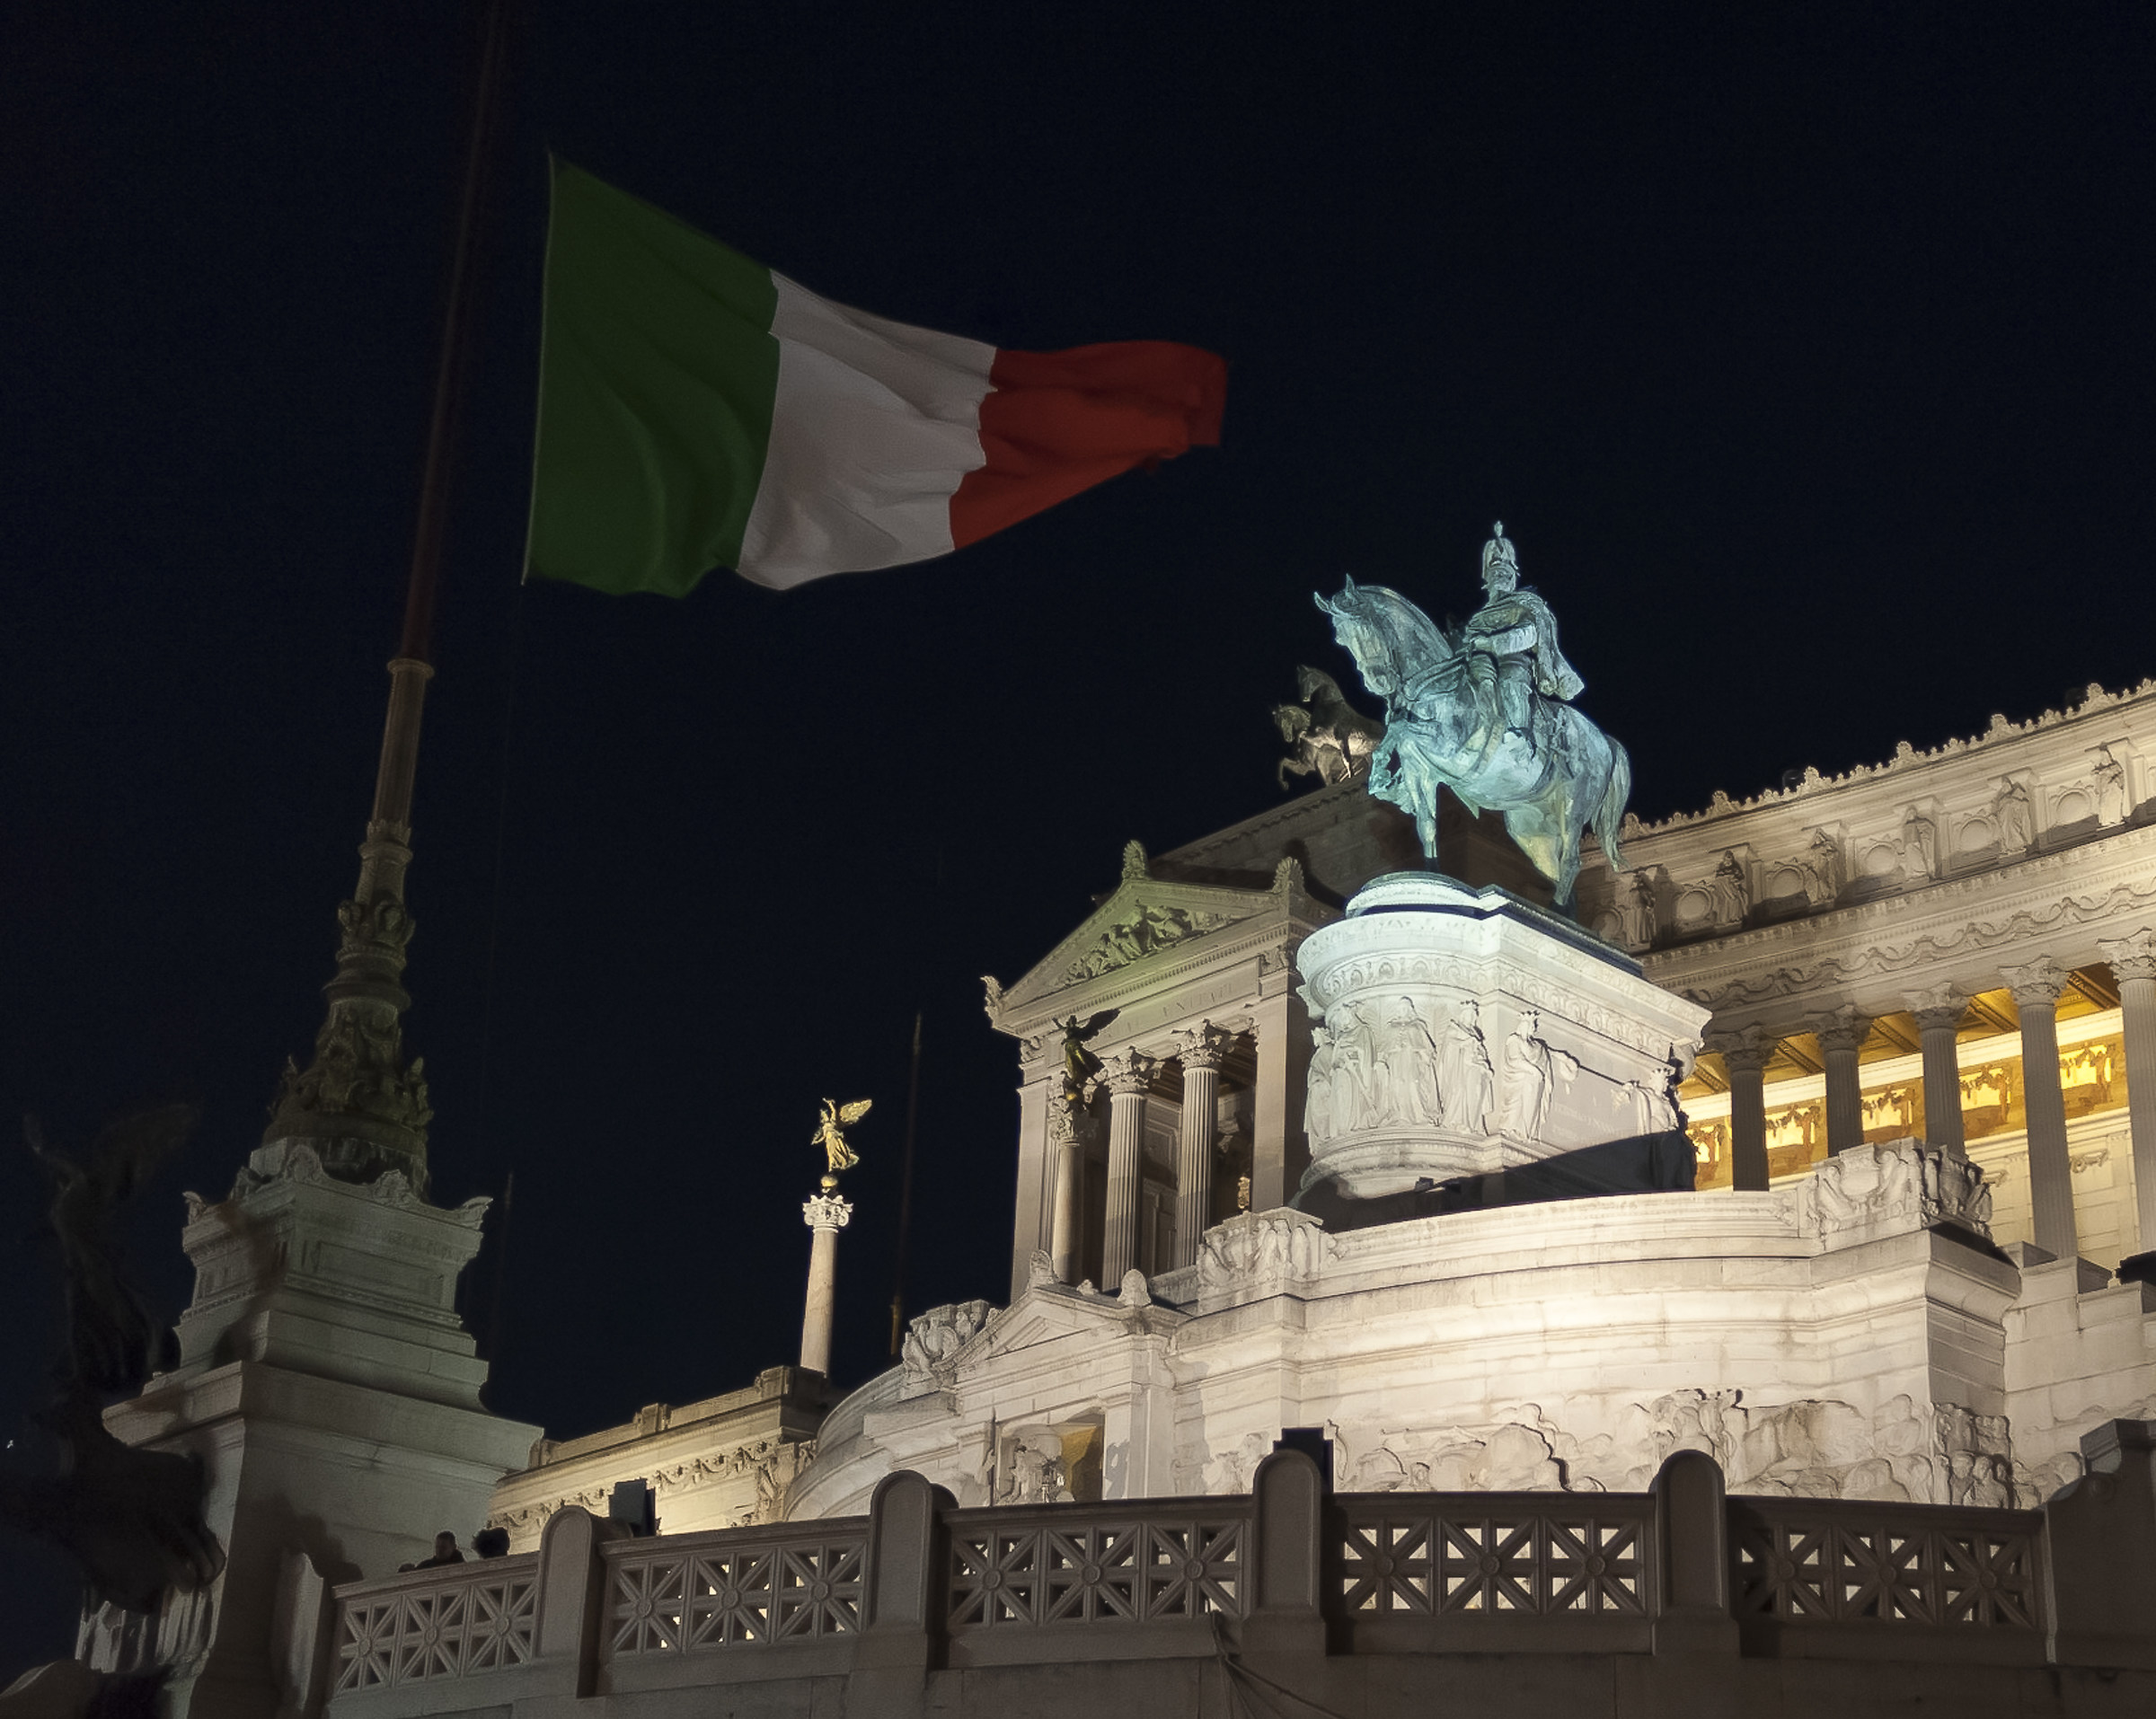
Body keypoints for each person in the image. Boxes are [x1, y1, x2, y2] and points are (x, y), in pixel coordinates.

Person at [1454, 524, 1585, 745]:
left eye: (1505, 574)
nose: (1500, 577)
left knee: (1510, 677)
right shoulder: (1478, 617)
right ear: (1487, 579)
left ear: (1513, 578)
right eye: (1495, 573)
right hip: (1478, 664)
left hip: (1513, 661)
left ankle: (1519, 736)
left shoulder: (1524, 603)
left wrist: (1491, 643)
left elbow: (1530, 634)